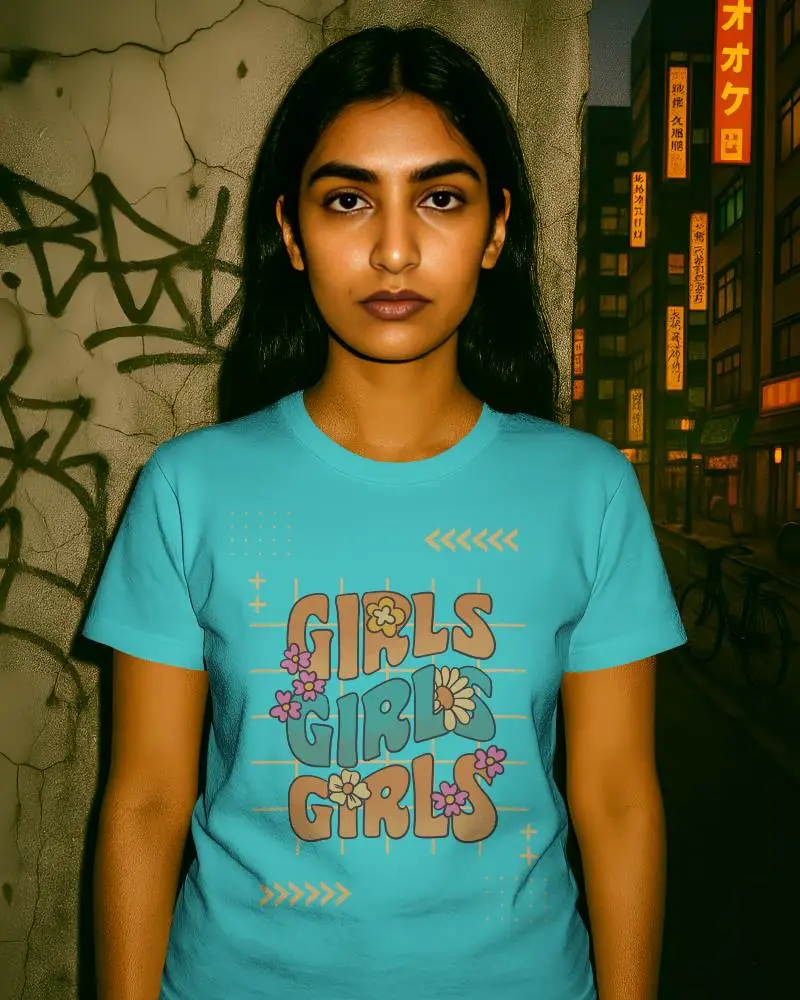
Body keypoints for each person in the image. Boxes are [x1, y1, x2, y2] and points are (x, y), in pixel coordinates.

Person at [81, 24, 687, 1000]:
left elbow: (616, 800)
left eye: (440, 198)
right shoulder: (190, 488)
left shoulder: (587, 490)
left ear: (495, 229)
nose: (394, 247)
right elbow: (146, 801)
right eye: (348, 199)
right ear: (289, 231)